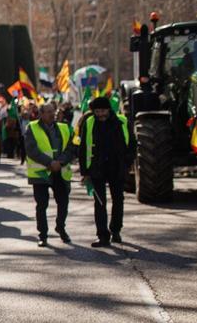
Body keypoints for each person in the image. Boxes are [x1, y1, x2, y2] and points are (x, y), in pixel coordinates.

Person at [78, 95, 135, 248]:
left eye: (103, 111)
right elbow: (83, 149)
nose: (101, 114)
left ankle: (116, 230)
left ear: (109, 110)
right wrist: (84, 172)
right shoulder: (89, 123)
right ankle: (102, 235)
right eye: (97, 111)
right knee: (100, 203)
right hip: (96, 169)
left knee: (118, 200)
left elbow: (132, 145)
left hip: (117, 168)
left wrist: (127, 162)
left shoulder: (122, 122)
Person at [24, 102, 74, 246]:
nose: (52, 114)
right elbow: (32, 150)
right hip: (41, 174)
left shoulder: (64, 128)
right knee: (42, 205)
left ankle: (60, 227)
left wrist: (60, 162)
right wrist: (49, 163)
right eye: (48, 112)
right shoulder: (32, 128)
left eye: (53, 111)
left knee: (63, 202)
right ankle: (43, 235)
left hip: (61, 172)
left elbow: (71, 147)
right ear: (41, 114)